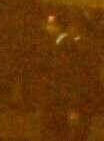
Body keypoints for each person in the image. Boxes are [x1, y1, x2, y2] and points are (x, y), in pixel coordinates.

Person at [38, 12, 94, 141]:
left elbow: (70, 77)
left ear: (59, 26)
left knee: (58, 133)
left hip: (60, 102)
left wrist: (73, 106)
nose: (47, 28)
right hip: (57, 101)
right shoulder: (59, 44)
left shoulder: (66, 46)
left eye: (51, 24)